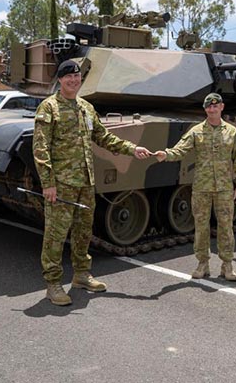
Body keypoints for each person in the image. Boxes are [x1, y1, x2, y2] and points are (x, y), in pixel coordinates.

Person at [33, 60, 152, 306]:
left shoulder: (86, 107)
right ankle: (53, 284)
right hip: (62, 183)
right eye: (69, 77)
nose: (74, 81)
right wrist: (48, 183)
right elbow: (40, 148)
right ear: (60, 79)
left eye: (77, 77)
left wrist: (132, 148)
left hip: (86, 183)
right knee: (56, 235)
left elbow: (103, 137)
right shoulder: (49, 108)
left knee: (83, 231)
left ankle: (81, 275)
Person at [155, 93, 236, 281]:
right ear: (205, 109)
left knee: (225, 227)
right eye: (208, 107)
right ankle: (202, 263)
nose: (212, 109)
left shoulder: (231, 131)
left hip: (223, 188)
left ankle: (227, 265)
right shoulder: (196, 131)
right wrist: (166, 154)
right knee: (201, 227)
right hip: (202, 188)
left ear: (221, 107)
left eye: (215, 106)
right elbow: (181, 149)